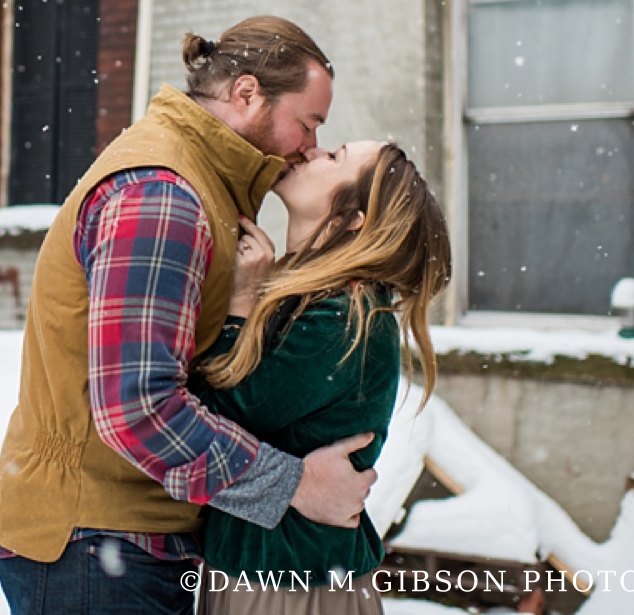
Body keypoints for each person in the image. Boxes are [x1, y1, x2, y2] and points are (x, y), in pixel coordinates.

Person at [0, 16, 378, 615]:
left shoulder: (204, 185)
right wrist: (293, 485)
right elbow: (138, 408)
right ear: (246, 93)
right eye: (309, 122)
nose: (311, 145)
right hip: (96, 546)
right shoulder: (164, 196)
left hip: (126, 542)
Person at [190, 140, 453, 615]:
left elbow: (215, 413)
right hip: (267, 576)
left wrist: (237, 310)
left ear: (354, 218)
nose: (312, 152)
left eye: (335, 158)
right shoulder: (311, 301)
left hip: (289, 589)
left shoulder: (345, 319)